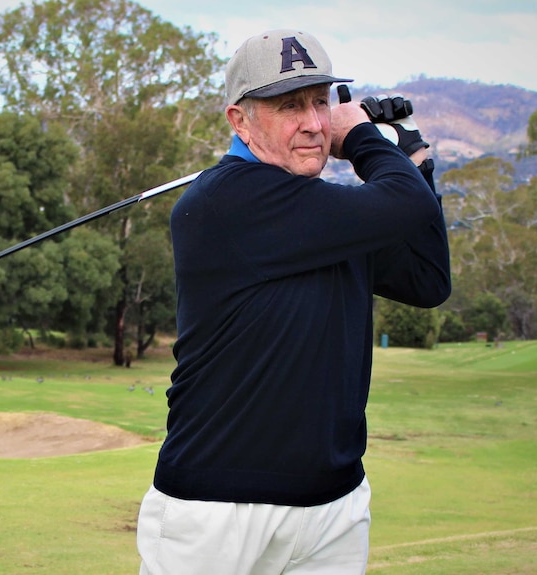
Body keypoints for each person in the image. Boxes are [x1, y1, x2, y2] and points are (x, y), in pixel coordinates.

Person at [136, 28, 451, 574]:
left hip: (334, 505)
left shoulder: (329, 214)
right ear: (240, 121)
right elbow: (401, 205)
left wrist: (416, 156)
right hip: (218, 510)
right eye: (289, 107)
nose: (313, 122)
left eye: (320, 101)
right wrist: (362, 139)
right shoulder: (225, 199)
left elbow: (427, 280)